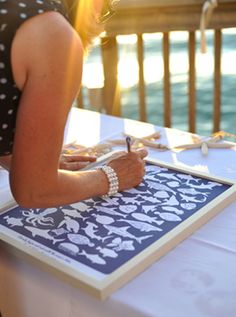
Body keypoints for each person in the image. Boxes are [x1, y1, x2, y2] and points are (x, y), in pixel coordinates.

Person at [0, 0, 147, 208]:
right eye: (107, 7)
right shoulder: (51, 33)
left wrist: (30, 162)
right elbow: (35, 191)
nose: (101, 20)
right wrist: (111, 176)